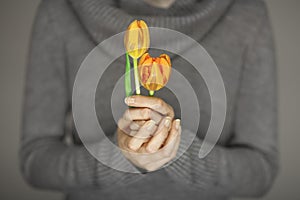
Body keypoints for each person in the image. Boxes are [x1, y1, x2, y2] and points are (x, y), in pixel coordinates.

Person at [20, 0, 278, 199]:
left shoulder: (246, 14)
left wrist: (177, 152)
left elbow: (261, 172)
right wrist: (118, 157)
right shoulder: (59, 11)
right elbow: (34, 162)